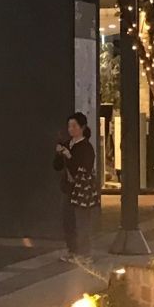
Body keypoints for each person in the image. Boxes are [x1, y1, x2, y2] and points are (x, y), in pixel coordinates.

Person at [53, 112, 97, 261]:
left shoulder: (86, 147)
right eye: (69, 126)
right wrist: (59, 154)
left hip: (81, 189)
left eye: (74, 126)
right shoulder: (67, 144)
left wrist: (69, 156)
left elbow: (83, 168)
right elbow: (57, 166)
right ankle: (72, 250)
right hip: (68, 188)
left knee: (82, 222)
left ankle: (85, 253)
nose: (71, 129)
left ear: (82, 127)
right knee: (68, 221)